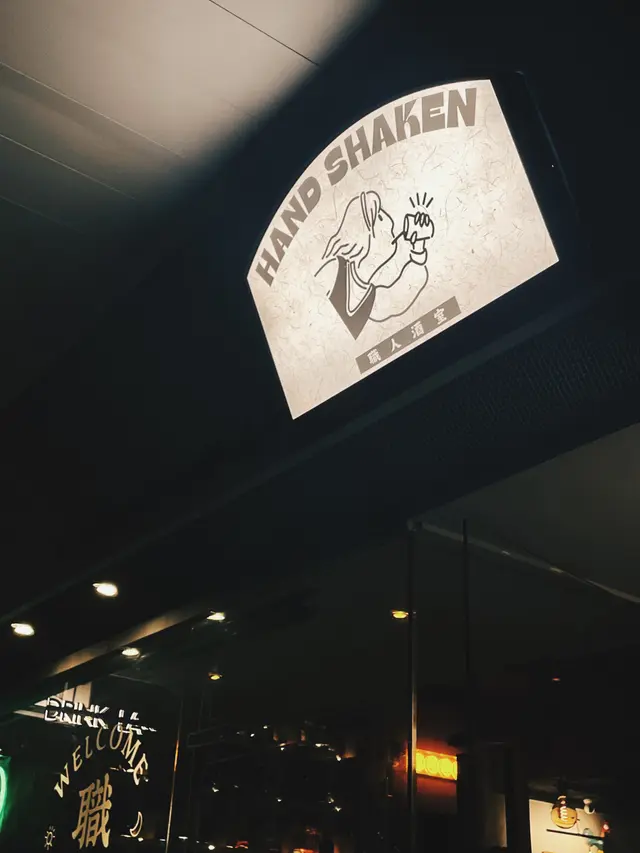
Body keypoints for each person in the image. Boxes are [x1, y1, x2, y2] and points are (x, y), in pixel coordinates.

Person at [320, 191, 433, 340]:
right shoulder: (333, 270)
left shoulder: (372, 298)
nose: (390, 222)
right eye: (379, 215)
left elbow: (401, 294)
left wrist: (418, 248)